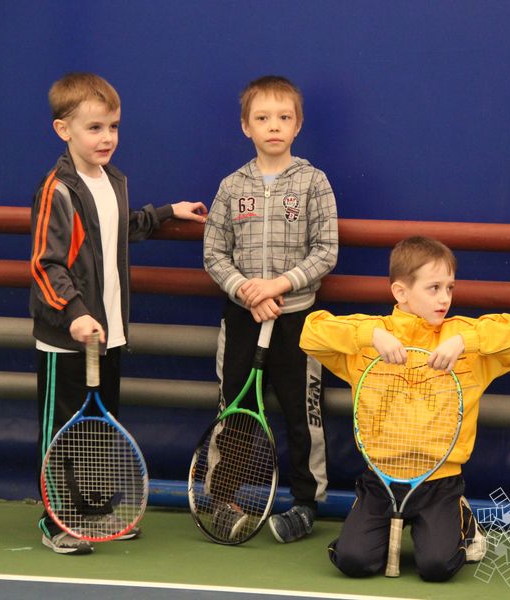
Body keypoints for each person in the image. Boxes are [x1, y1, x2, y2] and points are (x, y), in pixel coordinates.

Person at [30, 72, 207, 555]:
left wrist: (167, 212)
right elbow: (46, 264)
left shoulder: (112, 181)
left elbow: (117, 228)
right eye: (94, 128)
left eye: (113, 127)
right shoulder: (57, 190)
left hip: (108, 335)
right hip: (66, 339)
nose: (106, 137)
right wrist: (74, 313)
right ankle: (54, 520)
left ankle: (91, 514)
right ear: (63, 130)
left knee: (97, 430)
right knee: (63, 433)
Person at [300, 236, 510, 581]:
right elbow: (310, 332)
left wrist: (465, 341)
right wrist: (370, 336)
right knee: (353, 561)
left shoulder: (462, 339)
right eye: (433, 288)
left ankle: (463, 520)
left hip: (440, 482)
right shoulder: (371, 338)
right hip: (380, 479)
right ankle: (369, 520)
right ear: (401, 292)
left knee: (437, 567)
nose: (444, 298)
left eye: (449, 287)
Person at [203, 75, 338, 543]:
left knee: (304, 415)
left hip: (298, 321)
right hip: (243, 320)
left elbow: (326, 250)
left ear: (297, 125)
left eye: (284, 117)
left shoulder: (313, 182)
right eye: (262, 118)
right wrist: (248, 292)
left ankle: (306, 503)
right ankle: (222, 498)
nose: (274, 126)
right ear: (246, 126)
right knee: (235, 411)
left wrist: (278, 286)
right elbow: (214, 254)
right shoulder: (231, 186)